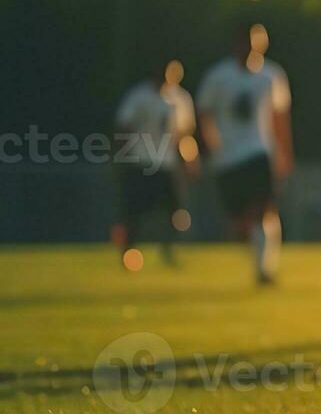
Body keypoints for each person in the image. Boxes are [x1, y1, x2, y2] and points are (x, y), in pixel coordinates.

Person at [196, 23, 294, 286]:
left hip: (259, 152)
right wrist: (211, 142)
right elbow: (204, 113)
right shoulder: (218, 76)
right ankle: (257, 256)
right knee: (239, 223)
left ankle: (265, 269)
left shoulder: (271, 75)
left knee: (265, 209)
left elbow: (279, 117)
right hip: (228, 157)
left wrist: (284, 151)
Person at [112, 60, 198, 267]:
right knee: (133, 213)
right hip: (141, 162)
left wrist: (189, 159)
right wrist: (121, 157)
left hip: (166, 164)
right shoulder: (138, 96)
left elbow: (184, 134)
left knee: (176, 213)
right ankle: (129, 252)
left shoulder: (180, 99)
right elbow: (124, 127)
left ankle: (168, 249)